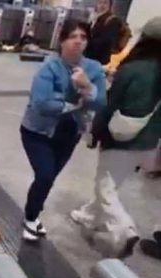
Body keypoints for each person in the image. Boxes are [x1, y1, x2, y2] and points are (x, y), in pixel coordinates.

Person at [70, 17, 161, 257]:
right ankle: (89, 215)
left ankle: (124, 230)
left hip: (122, 138)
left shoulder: (133, 69)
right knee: (112, 182)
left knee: (106, 187)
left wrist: (95, 133)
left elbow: (108, 106)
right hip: (149, 143)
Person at [19, 20, 106, 242]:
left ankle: (34, 213)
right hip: (38, 132)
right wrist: (74, 103)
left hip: (69, 134)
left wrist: (87, 86)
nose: (78, 41)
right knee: (45, 175)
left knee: (49, 179)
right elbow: (40, 102)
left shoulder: (93, 68)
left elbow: (101, 103)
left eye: (83, 37)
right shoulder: (49, 67)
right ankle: (30, 217)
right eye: (73, 37)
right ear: (62, 41)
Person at [85, 0, 123, 65]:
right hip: (90, 57)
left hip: (100, 60)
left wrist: (87, 43)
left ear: (110, 5)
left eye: (105, 3)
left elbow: (106, 41)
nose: (102, 5)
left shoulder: (113, 20)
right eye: (100, 2)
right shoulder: (95, 18)